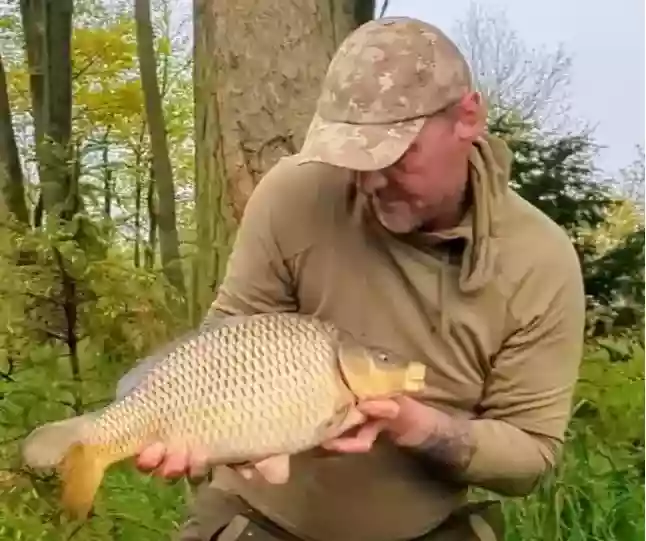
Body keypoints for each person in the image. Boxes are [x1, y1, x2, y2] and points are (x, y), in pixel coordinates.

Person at [128, 16, 586, 541]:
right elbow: (226, 341)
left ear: (467, 118)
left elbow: (530, 455)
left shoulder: (539, 261)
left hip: (427, 530)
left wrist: (416, 426)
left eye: (395, 154)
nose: (369, 180)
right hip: (259, 518)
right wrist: (201, 428)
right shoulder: (294, 194)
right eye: (352, 154)